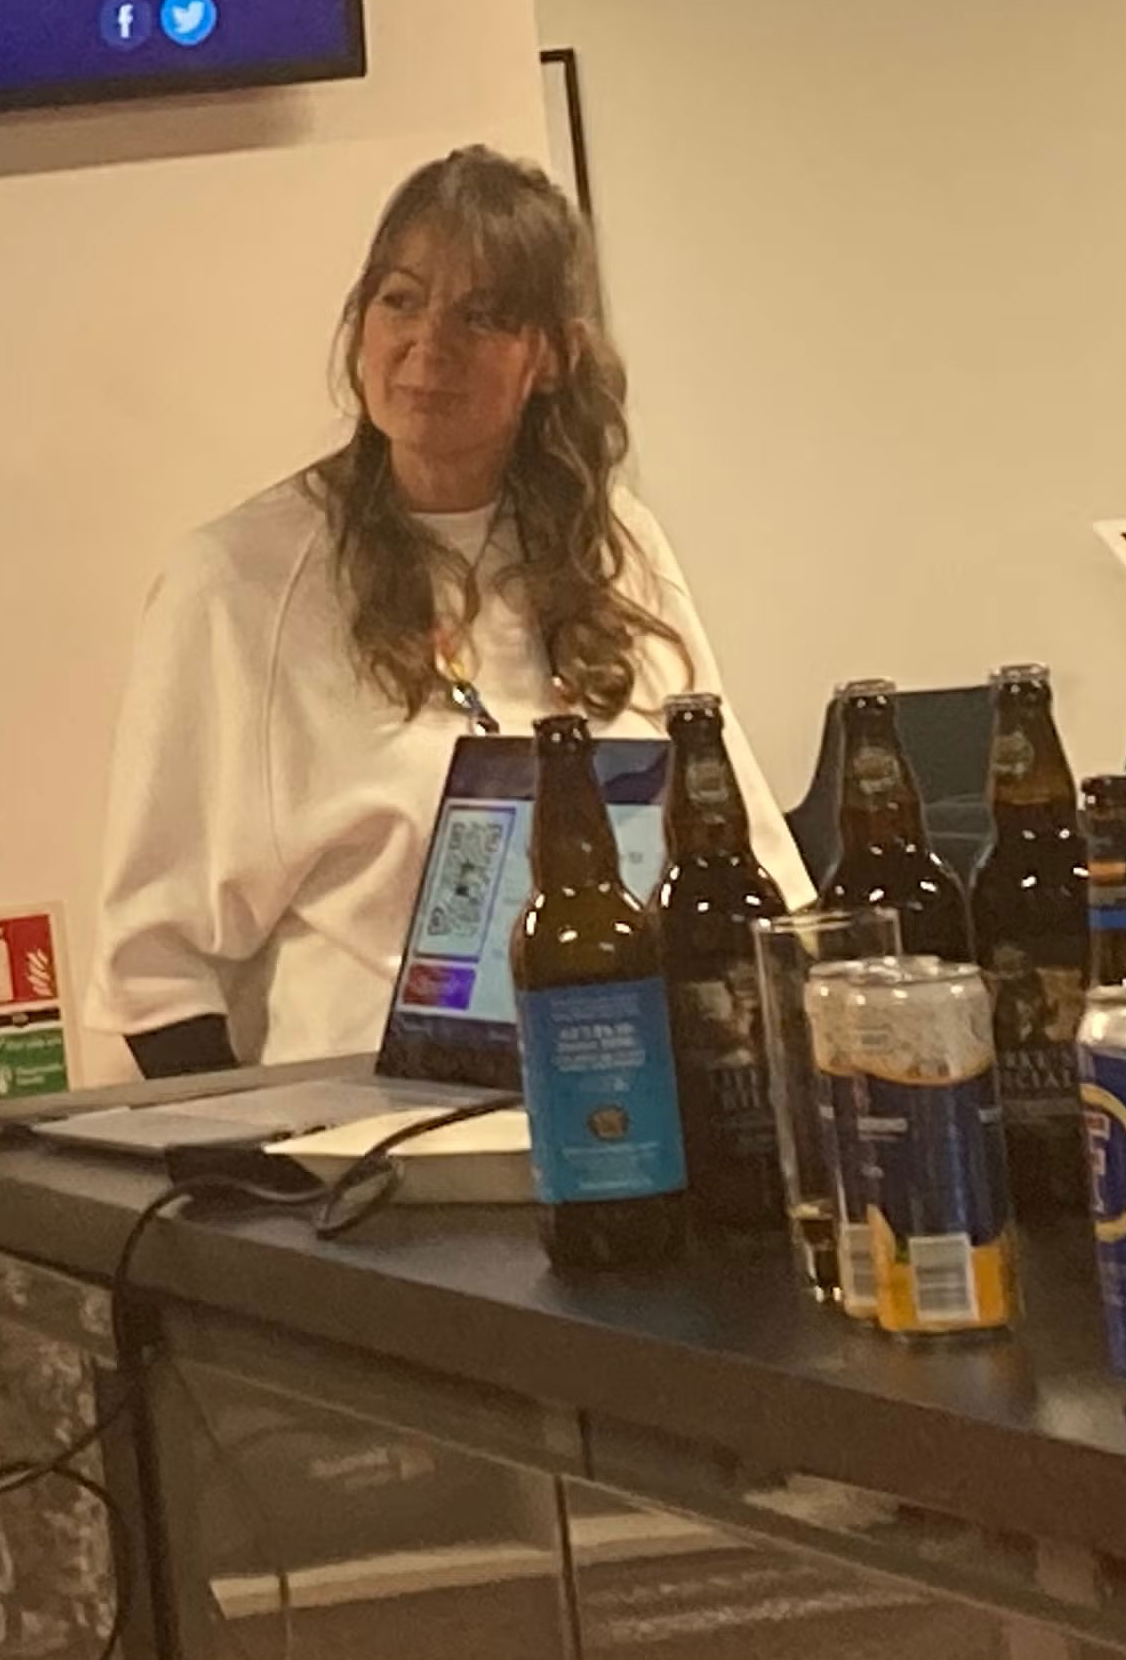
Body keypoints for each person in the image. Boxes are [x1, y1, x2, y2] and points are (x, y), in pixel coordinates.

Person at [94, 146, 802, 1072]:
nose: (429, 347)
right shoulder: (236, 581)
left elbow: (744, 848)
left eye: (484, 315)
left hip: (643, 1089)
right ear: (359, 328)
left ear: (551, 357)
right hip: (377, 1148)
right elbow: (153, 970)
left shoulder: (616, 543)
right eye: (402, 299)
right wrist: (265, 1188)